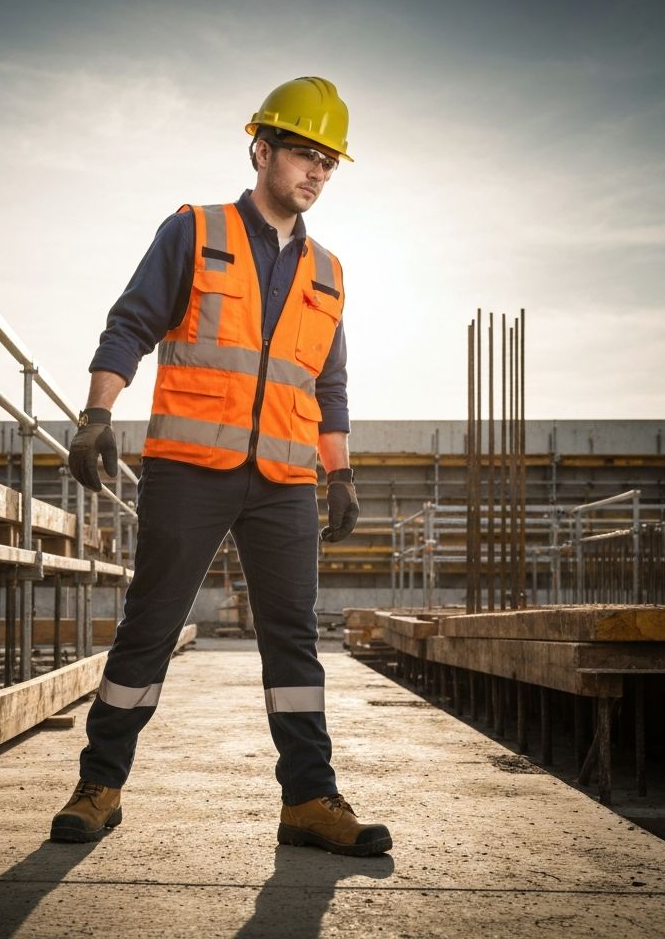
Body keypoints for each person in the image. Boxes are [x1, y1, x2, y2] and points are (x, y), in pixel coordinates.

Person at [50, 76, 391, 857]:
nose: (317, 172)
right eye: (304, 153)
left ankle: (309, 799)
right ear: (261, 150)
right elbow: (131, 323)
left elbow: (329, 385)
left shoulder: (328, 271)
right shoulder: (195, 231)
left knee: (294, 641)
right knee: (151, 627)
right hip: (189, 468)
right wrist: (97, 413)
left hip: (284, 483)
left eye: (329, 162)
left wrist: (339, 475)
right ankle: (99, 786)